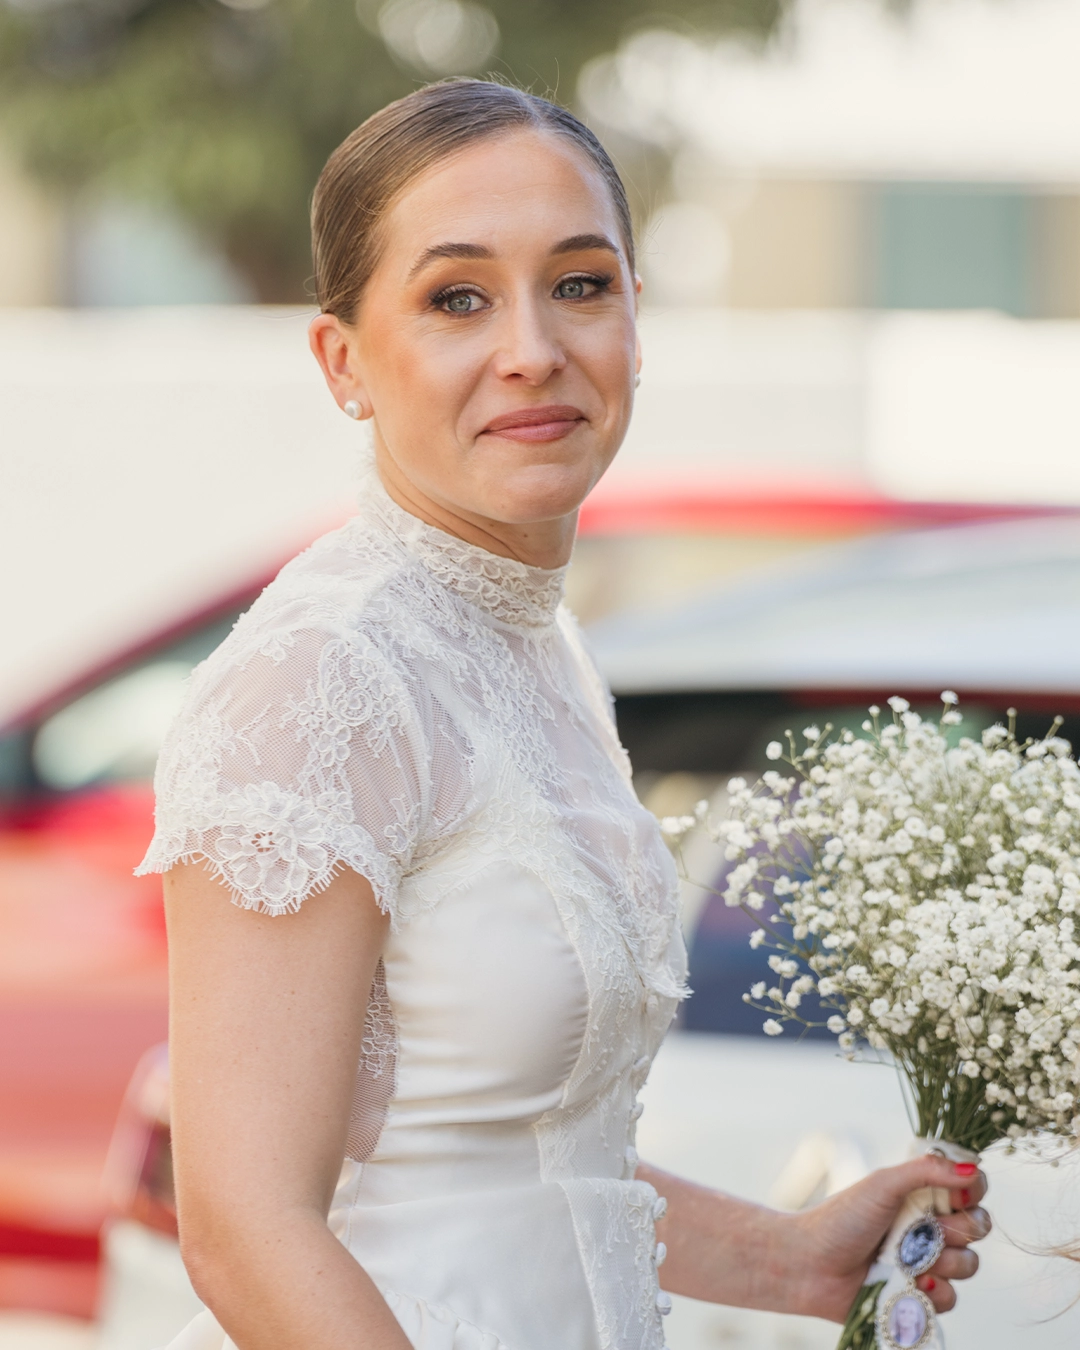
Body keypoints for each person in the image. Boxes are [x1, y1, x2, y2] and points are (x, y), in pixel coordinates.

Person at [138, 78, 991, 1350]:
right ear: (344, 361)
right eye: (456, 297)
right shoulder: (323, 676)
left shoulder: (541, 653)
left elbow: (528, 1158)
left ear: (637, 322)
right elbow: (247, 1228)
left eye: (581, 283)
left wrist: (795, 1258)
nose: (532, 346)